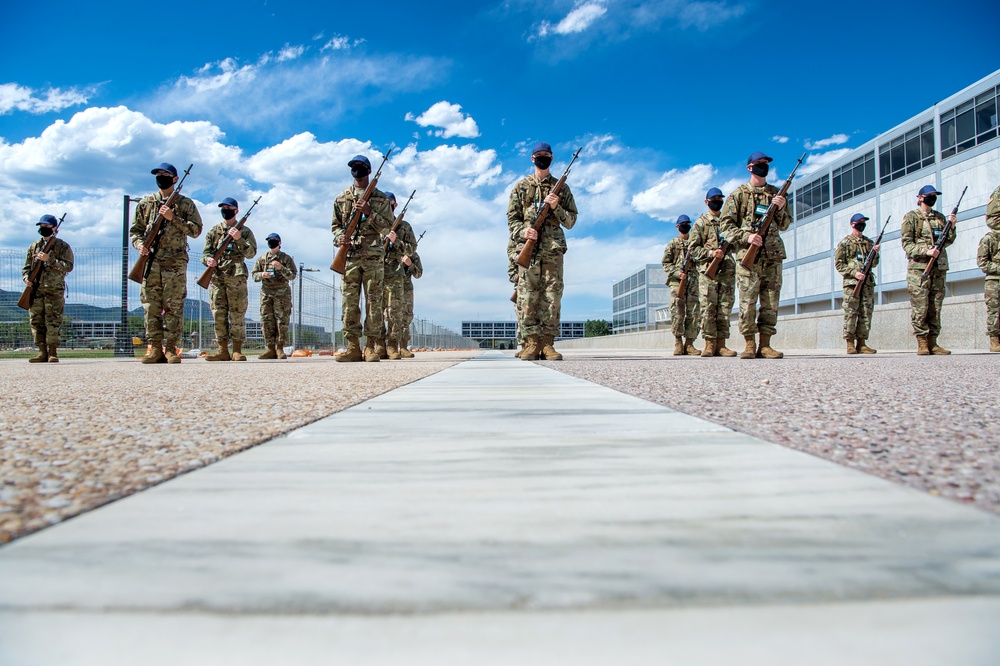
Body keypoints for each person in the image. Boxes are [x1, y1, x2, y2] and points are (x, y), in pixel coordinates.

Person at [507, 141, 578, 361]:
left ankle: (547, 344)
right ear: (532, 158)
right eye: (539, 155)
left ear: (552, 158)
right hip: (529, 252)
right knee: (528, 298)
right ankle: (530, 343)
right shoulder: (521, 187)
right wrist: (525, 232)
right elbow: (512, 221)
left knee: (552, 297)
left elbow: (571, 221)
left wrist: (556, 207)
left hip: (552, 252)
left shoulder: (561, 188)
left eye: (546, 155)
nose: (543, 158)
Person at [720, 151, 792, 359]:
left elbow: (785, 224)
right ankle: (749, 343)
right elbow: (726, 226)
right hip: (748, 257)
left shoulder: (777, 194)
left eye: (766, 163)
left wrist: (780, 208)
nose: (764, 166)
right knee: (748, 301)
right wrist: (747, 237)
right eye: (759, 163)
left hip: (772, 255)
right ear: (750, 168)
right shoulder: (739, 195)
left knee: (771, 302)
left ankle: (766, 345)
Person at [130, 163, 203, 364]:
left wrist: (173, 218)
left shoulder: (185, 204)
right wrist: (139, 245)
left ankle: (171, 348)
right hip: (151, 260)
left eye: (165, 174)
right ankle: (154, 348)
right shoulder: (145, 203)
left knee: (174, 305)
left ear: (175, 179)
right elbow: (135, 231)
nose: (161, 177)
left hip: (175, 262)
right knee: (150, 305)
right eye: (159, 174)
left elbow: (196, 230)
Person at [331, 155, 394, 362]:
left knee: (373, 302)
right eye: (354, 168)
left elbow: (387, 228)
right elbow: (335, 226)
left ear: (368, 171)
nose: (357, 171)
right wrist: (339, 236)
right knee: (349, 302)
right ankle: (352, 347)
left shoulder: (380, 199)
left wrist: (369, 212)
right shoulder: (341, 198)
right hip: (350, 256)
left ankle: (371, 347)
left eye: (361, 167)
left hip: (373, 257)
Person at [901, 184, 957, 355]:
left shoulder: (939, 218)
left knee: (936, 306)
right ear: (920, 198)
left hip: (938, 268)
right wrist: (926, 251)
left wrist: (952, 226)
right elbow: (907, 245)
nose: (932, 198)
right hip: (919, 269)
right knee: (921, 306)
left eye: (934, 195)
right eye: (929, 195)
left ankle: (933, 342)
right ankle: (922, 342)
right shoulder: (911, 217)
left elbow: (947, 241)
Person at [201, 197, 257, 361]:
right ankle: (222, 349)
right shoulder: (214, 231)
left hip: (236, 276)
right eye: (223, 207)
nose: (225, 209)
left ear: (236, 211)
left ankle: (237, 350)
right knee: (218, 313)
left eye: (229, 207)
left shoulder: (245, 231)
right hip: (217, 276)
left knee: (237, 313)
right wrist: (208, 260)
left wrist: (239, 238)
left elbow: (251, 253)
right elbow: (205, 253)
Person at [688, 188, 737, 357]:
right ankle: (709, 343)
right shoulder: (700, 223)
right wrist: (711, 253)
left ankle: (721, 344)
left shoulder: (728, 221)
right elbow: (692, 249)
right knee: (708, 308)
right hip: (708, 272)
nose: (717, 201)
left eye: (719, 198)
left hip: (727, 270)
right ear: (706, 201)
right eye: (713, 198)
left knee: (725, 307)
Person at [21, 214, 74, 363]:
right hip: (36, 290)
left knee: (53, 320)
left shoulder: (63, 246)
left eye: (46, 226)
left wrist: (49, 259)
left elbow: (68, 266)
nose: (43, 229)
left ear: (54, 228)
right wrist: (26, 278)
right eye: (41, 226)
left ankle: (53, 352)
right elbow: (26, 267)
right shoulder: (34, 246)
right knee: (36, 321)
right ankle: (41, 351)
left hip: (54, 290)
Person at [835, 213, 881, 354]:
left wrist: (875, 253)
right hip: (852, 283)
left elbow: (873, 263)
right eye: (859, 222)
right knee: (851, 312)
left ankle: (862, 343)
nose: (862, 224)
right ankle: (850, 343)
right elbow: (839, 264)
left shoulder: (868, 243)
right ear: (852, 224)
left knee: (866, 312)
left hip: (867, 283)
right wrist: (854, 273)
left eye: (863, 222)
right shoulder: (845, 243)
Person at [378, 192, 416, 360]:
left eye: (390, 202)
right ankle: (378, 345)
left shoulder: (404, 226)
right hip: (376, 271)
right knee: (376, 311)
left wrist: (396, 241)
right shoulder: (374, 223)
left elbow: (412, 249)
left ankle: (393, 345)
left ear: (395, 204)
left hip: (394, 274)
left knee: (395, 312)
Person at [252, 233, 297, 359]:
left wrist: (281, 268)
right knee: (266, 320)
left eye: (274, 241)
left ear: (279, 243)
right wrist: (262, 275)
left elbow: (292, 275)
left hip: (282, 294)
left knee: (281, 321)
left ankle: (280, 348)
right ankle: (270, 348)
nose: (272, 243)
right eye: (270, 241)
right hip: (266, 293)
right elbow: (254, 275)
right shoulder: (262, 259)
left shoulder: (286, 259)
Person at [661, 214, 701, 355]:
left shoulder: (694, 243)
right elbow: (666, 263)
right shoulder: (673, 244)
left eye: (687, 223)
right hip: (677, 283)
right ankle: (678, 342)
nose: (686, 226)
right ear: (677, 227)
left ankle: (689, 344)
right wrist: (677, 273)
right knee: (677, 312)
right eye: (683, 224)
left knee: (694, 313)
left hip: (693, 283)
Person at [977, 184, 1000, 352]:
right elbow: (983, 263)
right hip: (995, 281)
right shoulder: (989, 239)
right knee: (995, 312)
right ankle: (994, 340)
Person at [400, 246, 423, 358]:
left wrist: (410, 264)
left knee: (406, 317)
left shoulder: (412, 254)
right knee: (387, 316)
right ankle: (388, 347)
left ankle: (403, 347)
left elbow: (418, 274)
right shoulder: (386, 249)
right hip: (388, 287)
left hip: (406, 288)